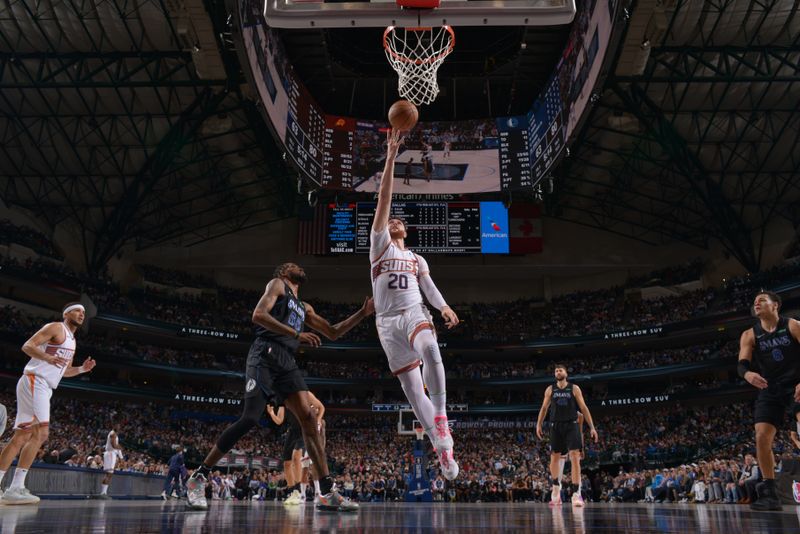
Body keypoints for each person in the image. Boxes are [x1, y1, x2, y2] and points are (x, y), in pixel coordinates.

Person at [185, 263, 372, 511]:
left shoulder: (304, 307)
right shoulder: (277, 285)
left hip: (287, 361)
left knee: (309, 417)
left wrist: (362, 313)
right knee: (250, 418)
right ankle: (199, 476)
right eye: (293, 265)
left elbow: (333, 332)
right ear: (284, 272)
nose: (299, 267)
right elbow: (258, 315)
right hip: (265, 353)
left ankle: (326, 491)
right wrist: (296, 335)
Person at [370, 129, 460, 480]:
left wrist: (445, 308)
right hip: (386, 323)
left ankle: (440, 414)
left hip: (413, 312)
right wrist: (391, 157)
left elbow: (430, 288)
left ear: (406, 232)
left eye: (399, 222)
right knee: (411, 391)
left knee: (430, 348)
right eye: (391, 220)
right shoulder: (379, 247)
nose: (394, 221)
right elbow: (382, 201)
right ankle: (444, 450)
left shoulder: (417, 258)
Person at [0, 302, 95, 504]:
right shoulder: (55, 327)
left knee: (21, 435)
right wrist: (46, 357)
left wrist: (81, 370)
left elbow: (64, 370)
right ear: (67, 313)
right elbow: (27, 346)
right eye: (78, 310)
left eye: (84, 312)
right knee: (40, 433)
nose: (81, 314)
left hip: (42, 385)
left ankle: (10, 487)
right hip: (37, 381)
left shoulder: (72, 340)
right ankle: (16, 487)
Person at [737, 290, 800, 510]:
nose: (757, 303)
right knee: (761, 436)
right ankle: (770, 494)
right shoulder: (749, 334)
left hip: (796, 385)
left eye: (762, 300)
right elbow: (742, 364)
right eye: (755, 301)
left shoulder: (792, 325)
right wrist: (747, 374)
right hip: (770, 388)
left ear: (775, 306)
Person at [536, 363, 598, 507]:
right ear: (555, 374)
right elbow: (544, 408)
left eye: (560, 370)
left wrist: (592, 427)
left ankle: (577, 494)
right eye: (556, 370)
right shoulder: (550, 389)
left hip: (572, 424)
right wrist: (538, 424)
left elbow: (583, 407)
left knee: (575, 457)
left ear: (566, 373)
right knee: (554, 457)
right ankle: (556, 489)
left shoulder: (574, 388)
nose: (558, 372)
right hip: (555, 425)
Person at [99, 429, 123, 499]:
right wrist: (121, 448)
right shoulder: (113, 434)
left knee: (108, 474)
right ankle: (103, 493)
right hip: (110, 454)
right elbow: (114, 446)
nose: (119, 427)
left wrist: (121, 456)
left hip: (110, 454)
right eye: (118, 425)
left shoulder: (114, 434)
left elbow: (116, 446)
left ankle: (103, 492)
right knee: (109, 474)